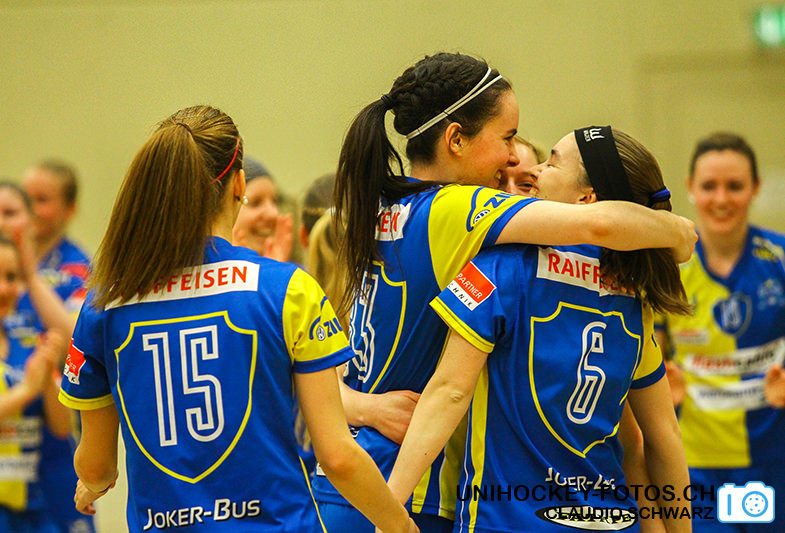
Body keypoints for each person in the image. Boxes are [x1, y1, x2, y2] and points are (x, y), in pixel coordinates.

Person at [310, 51, 696, 532]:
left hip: (367, 481)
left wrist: (361, 407)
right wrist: (676, 231)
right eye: (508, 137)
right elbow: (598, 225)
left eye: (546, 161)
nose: (519, 162)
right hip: (407, 495)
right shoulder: (465, 221)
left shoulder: (387, 205)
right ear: (456, 139)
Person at [57, 105, 417, 533]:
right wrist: (401, 526)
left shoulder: (104, 304)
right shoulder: (287, 289)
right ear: (240, 184)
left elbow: (96, 466)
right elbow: (338, 457)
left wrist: (93, 482)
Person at [384, 126, 692, 532]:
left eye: (553, 162)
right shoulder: (635, 297)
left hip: (509, 519)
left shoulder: (500, 266)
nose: (536, 171)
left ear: (587, 199)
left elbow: (449, 391)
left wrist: (388, 509)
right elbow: (663, 436)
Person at [658, 132, 785, 532]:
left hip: (769, 458)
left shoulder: (780, 260)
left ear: (755, 188)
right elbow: (645, 359)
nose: (722, 199)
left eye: (735, 186)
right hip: (693, 465)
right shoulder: (668, 270)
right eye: (709, 186)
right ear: (690, 187)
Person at [20, 160, 95, 533]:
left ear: (70, 209)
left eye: (43, 199)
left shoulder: (78, 269)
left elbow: (74, 341)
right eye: (25, 199)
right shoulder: (5, 265)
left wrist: (31, 278)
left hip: (57, 424)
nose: (31, 209)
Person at [0, 232, 72, 533]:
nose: (5, 288)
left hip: (31, 502)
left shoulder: (25, 339)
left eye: (12, 277)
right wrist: (27, 390)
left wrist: (47, 379)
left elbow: (63, 427)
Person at [231, 156, 294, 262]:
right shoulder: (203, 269)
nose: (273, 213)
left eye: (275, 201)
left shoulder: (295, 271)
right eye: (255, 203)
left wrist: (274, 269)